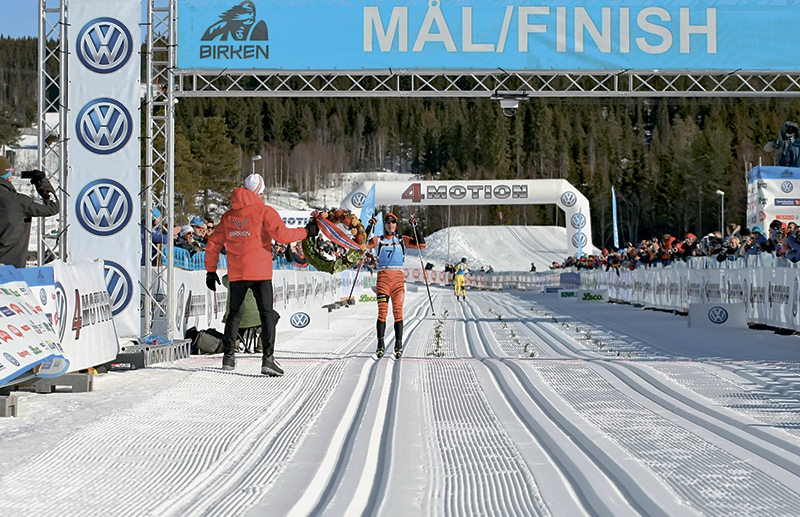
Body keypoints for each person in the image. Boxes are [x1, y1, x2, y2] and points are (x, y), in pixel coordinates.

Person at [204, 173, 313, 376]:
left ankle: (228, 358)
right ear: (260, 192)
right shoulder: (264, 211)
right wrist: (305, 232)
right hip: (261, 272)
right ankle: (268, 360)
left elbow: (213, 243)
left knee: (234, 314)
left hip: (237, 273)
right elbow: (283, 235)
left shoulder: (228, 216)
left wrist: (210, 271)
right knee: (266, 314)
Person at [365, 212, 426, 358]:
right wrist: (370, 226)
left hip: (398, 280)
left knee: (398, 312)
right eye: (388, 223)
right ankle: (380, 344)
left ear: (396, 225)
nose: (390, 225)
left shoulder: (402, 239)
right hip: (383, 280)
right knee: (382, 313)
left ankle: (398, 344)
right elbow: (362, 244)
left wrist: (415, 227)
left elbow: (422, 245)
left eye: (393, 223)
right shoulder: (378, 240)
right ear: (384, 225)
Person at [0, 168, 60, 268]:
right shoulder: (19, 201)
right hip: (10, 269)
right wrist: (41, 182)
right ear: (8, 176)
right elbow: (53, 206)